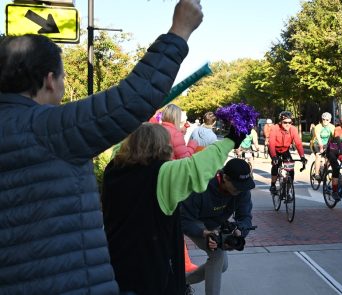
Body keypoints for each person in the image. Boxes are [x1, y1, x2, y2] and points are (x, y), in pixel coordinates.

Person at [0, 1, 203, 294]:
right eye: (63, 77)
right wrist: (180, 29)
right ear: (49, 81)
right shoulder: (51, 129)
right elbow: (133, 98)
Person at [101, 123, 245, 294]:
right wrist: (230, 140)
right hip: (149, 267)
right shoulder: (161, 174)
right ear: (162, 146)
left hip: (116, 260)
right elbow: (197, 167)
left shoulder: (113, 170)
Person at [181, 158, 255, 295]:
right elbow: (183, 220)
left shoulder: (241, 188)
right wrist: (204, 233)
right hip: (194, 220)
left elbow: (245, 217)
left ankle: (180, 283)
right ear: (225, 178)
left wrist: (239, 230)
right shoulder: (202, 185)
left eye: (242, 186)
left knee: (222, 266)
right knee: (217, 256)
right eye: (237, 185)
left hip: (216, 223)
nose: (240, 190)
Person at [268, 111, 307, 193]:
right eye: (285, 122)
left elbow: (298, 144)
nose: (287, 124)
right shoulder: (274, 128)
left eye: (290, 122)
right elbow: (271, 143)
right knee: (275, 165)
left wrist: (302, 156)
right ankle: (273, 185)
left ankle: (288, 191)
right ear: (280, 122)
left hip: (285, 150)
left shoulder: (293, 129)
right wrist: (274, 156)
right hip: (275, 149)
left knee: (291, 169)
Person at [312, 112, 335, 180]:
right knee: (318, 155)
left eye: (327, 120)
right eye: (323, 119)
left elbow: (333, 138)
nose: (325, 121)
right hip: (317, 143)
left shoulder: (332, 127)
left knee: (330, 157)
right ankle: (316, 174)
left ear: (330, 120)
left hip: (326, 144)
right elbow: (318, 138)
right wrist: (321, 148)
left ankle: (323, 168)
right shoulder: (318, 127)